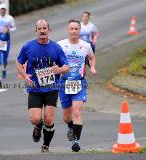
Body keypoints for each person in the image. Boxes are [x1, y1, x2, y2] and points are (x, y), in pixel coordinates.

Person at [16, 19, 69, 153]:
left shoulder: (56, 47)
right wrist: (25, 75)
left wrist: (60, 70)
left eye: (44, 28)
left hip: (51, 88)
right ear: (36, 31)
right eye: (39, 29)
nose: (42, 31)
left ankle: (46, 145)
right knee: (35, 118)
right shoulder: (28, 47)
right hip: (34, 88)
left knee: (49, 119)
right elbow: (18, 62)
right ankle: (38, 126)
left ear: (48, 30)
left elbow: (66, 66)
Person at [57, 19, 97, 152]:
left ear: (80, 30)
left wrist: (92, 67)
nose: (74, 31)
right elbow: (53, 59)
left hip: (79, 82)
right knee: (66, 117)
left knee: (77, 112)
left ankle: (76, 141)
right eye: (71, 29)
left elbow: (91, 57)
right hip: (64, 83)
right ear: (68, 30)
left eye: (76, 29)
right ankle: (70, 127)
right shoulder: (60, 45)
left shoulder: (85, 45)